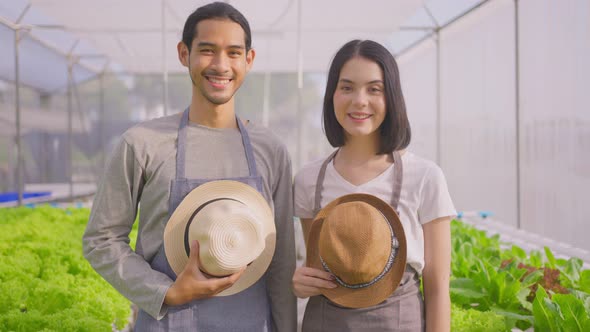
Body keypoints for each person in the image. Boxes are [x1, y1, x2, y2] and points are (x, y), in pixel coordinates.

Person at [82, 2, 297, 331]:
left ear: (249, 60)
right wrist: (164, 290)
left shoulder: (271, 150)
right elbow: (101, 239)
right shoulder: (142, 143)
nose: (221, 65)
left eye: (234, 53)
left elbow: (281, 263)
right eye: (207, 50)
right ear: (184, 54)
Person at [292, 39, 455, 332]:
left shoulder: (425, 177)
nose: (359, 100)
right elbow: (316, 267)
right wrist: (302, 283)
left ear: (391, 97)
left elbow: (438, 288)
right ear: (332, 95)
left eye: (374, 89)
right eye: (347, 87)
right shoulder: (309, 180)